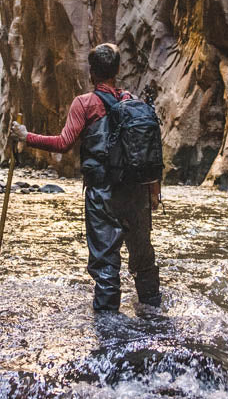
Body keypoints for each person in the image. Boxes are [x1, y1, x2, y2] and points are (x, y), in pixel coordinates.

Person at [10, 43, 162, 311]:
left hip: (103, 195)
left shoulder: (85, 104)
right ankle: (154, 315)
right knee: (143, 259)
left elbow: (63, 143)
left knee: (106, 265)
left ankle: (108, 329)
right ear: (116, 71)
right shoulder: (132, 101)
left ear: (92, 73)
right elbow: (145, 148)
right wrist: (153, 192)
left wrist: (25, 137)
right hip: (137, 193)